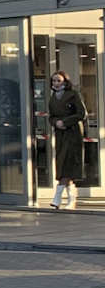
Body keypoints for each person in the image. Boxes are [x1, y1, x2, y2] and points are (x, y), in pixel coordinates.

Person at [47, 70, 86, 210]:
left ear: (65, 81)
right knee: (64, 166)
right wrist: (56, 123)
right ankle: (71, 200)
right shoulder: (53, 98)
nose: (56, 83)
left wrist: (65, 121)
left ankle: (57, 198)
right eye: (54, 81)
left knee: (67, 165)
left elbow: (81, 113)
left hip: (73, 134)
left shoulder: (73, 95)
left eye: (59, 80)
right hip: (61, 134)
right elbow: (51, 116)